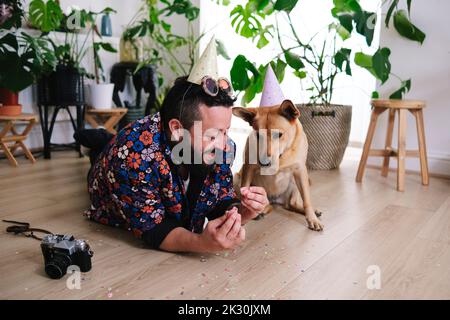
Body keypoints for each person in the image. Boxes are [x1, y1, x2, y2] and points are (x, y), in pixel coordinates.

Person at [78, 38, 269, 253]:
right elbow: (154, 228)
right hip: (109, 174)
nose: (224, 145)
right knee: (100, 154)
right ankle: (99, 144)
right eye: (214, 135)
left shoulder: (222, 146)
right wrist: (202, 243)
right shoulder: (132, 155)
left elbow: (219, 198)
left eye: (225, 131)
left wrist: (242, 211)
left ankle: (103, 138)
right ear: (177, 129)